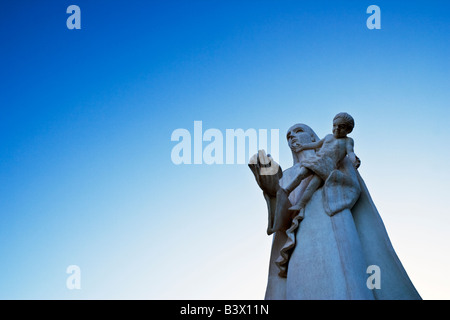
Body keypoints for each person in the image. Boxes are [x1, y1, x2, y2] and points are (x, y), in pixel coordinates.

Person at [276, 112, 360, 218]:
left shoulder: (348, 141)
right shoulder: (329, 137)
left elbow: (350, 152)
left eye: (341, 127)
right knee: (301, 175)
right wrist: (303, 147)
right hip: (317, 159)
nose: (337, 129)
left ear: (348, 130)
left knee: (312, 185)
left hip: (327, 166)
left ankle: (300, 205)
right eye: (335, 125)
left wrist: (354, 160)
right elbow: (316, 144)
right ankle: (287, 190)